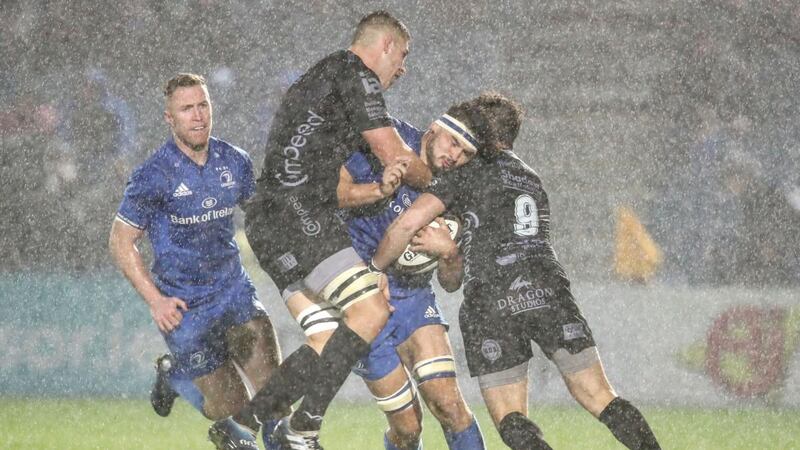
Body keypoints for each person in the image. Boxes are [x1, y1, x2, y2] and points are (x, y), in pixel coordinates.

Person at [370, 93, 662, 450]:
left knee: (511, 420)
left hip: (491, 296)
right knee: (601, 396)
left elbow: (407, 226)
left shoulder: (464, 174)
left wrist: (374, 268)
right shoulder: (531, 178)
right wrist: (451, 251)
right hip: (547, 286)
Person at [241, 10, 429, 449]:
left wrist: (377, 191)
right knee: (372, 310)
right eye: (402, 55)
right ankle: (301, 430)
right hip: (297, 216)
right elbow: (396, 154)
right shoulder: (357, 76)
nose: (402, 68)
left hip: (272, 219)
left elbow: (339, 189)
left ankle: (241, 424)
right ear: (385, 45)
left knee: (328, 340)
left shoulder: (324, 77)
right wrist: (442, 186)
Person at [108, 73, 285, 450]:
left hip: (233, 292)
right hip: (185, 308)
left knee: (275, 400)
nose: (198, 115)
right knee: (230, 409)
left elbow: (261, 218)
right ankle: (176, 377)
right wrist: (156, 301)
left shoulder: (235, 161)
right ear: (169, 118)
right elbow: (121, 242)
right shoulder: (153, 175)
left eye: (203, 105)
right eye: (187, 108)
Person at [339, 112, 488, 450]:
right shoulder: (388, 142)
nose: (455, 156)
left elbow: (450, 283)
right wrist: (377, 190)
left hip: (413, 295)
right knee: (407, 428)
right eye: (453, 142)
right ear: (434, 129)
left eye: (465, 153)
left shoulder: (457, 187)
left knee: (450, 406)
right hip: (359, 295)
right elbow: (335, 192)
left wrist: (450, 253)